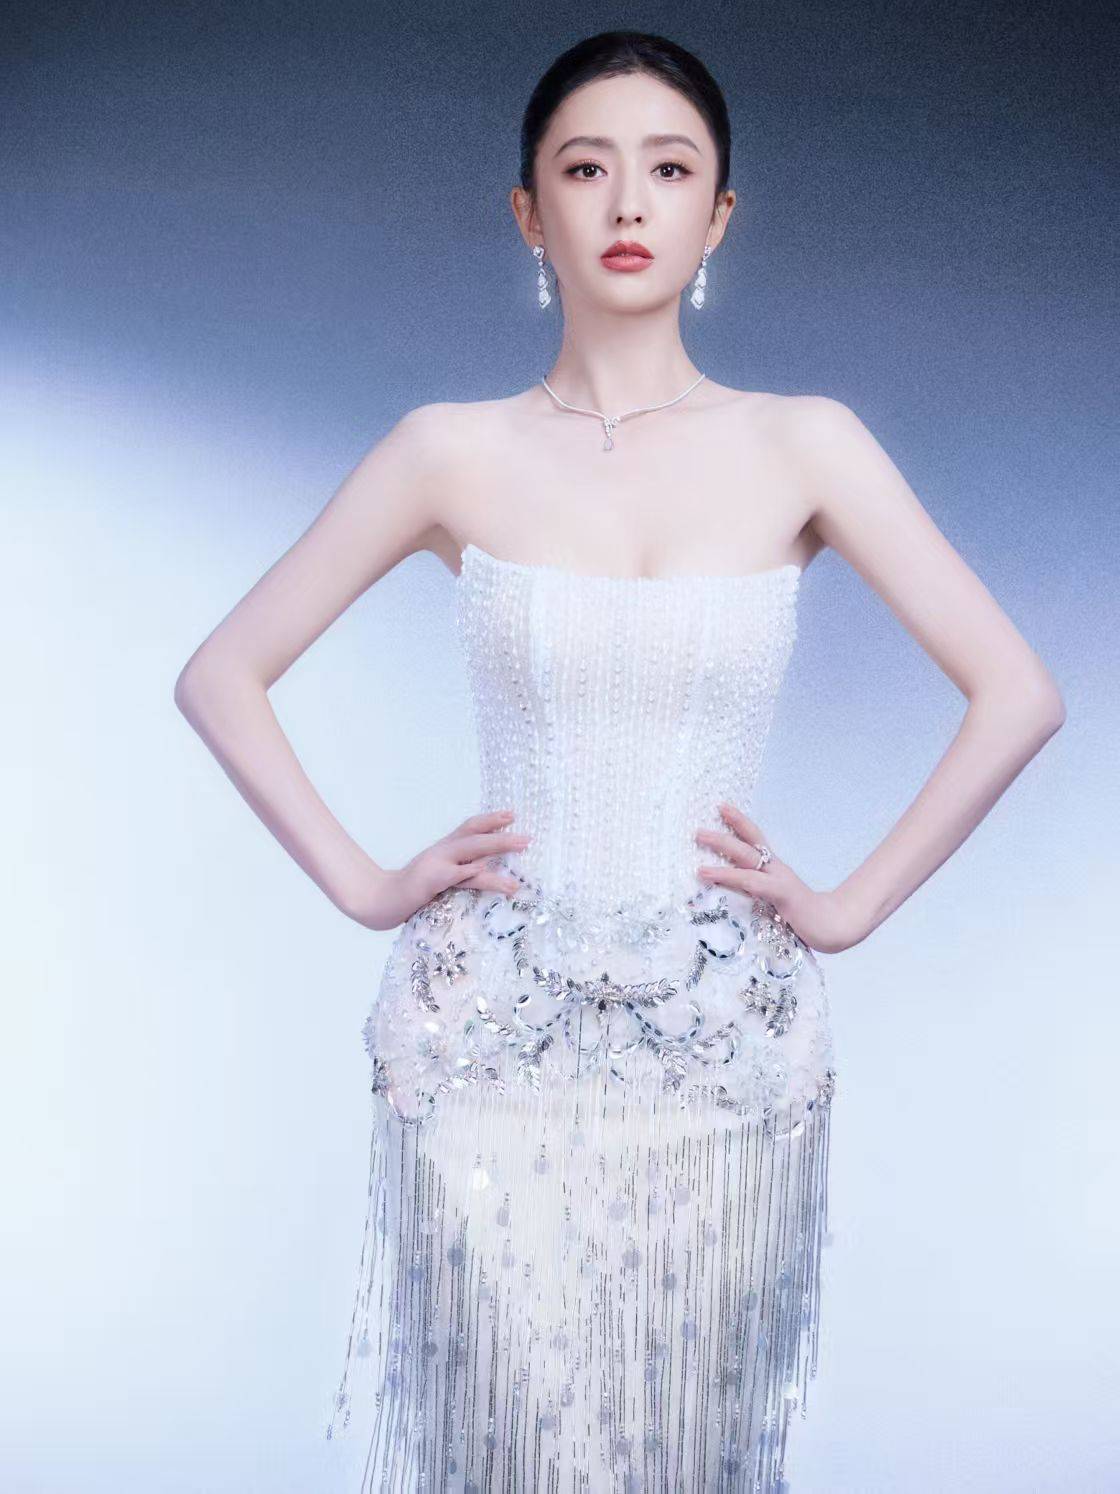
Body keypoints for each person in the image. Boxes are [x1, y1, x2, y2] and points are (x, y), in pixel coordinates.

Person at [174, 29, 1065, 1493]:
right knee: (513, 1442)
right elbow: (221, 675)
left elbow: (1017, 693)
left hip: (724, 1042)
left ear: (720, 215)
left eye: (671, 169)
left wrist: (846, 907)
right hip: (485, 1039)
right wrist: (367, 883)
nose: (630, 203)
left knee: (686, 1443)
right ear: (531, 212)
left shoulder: (805, 444)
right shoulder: (448, 450)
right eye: (587, 170)